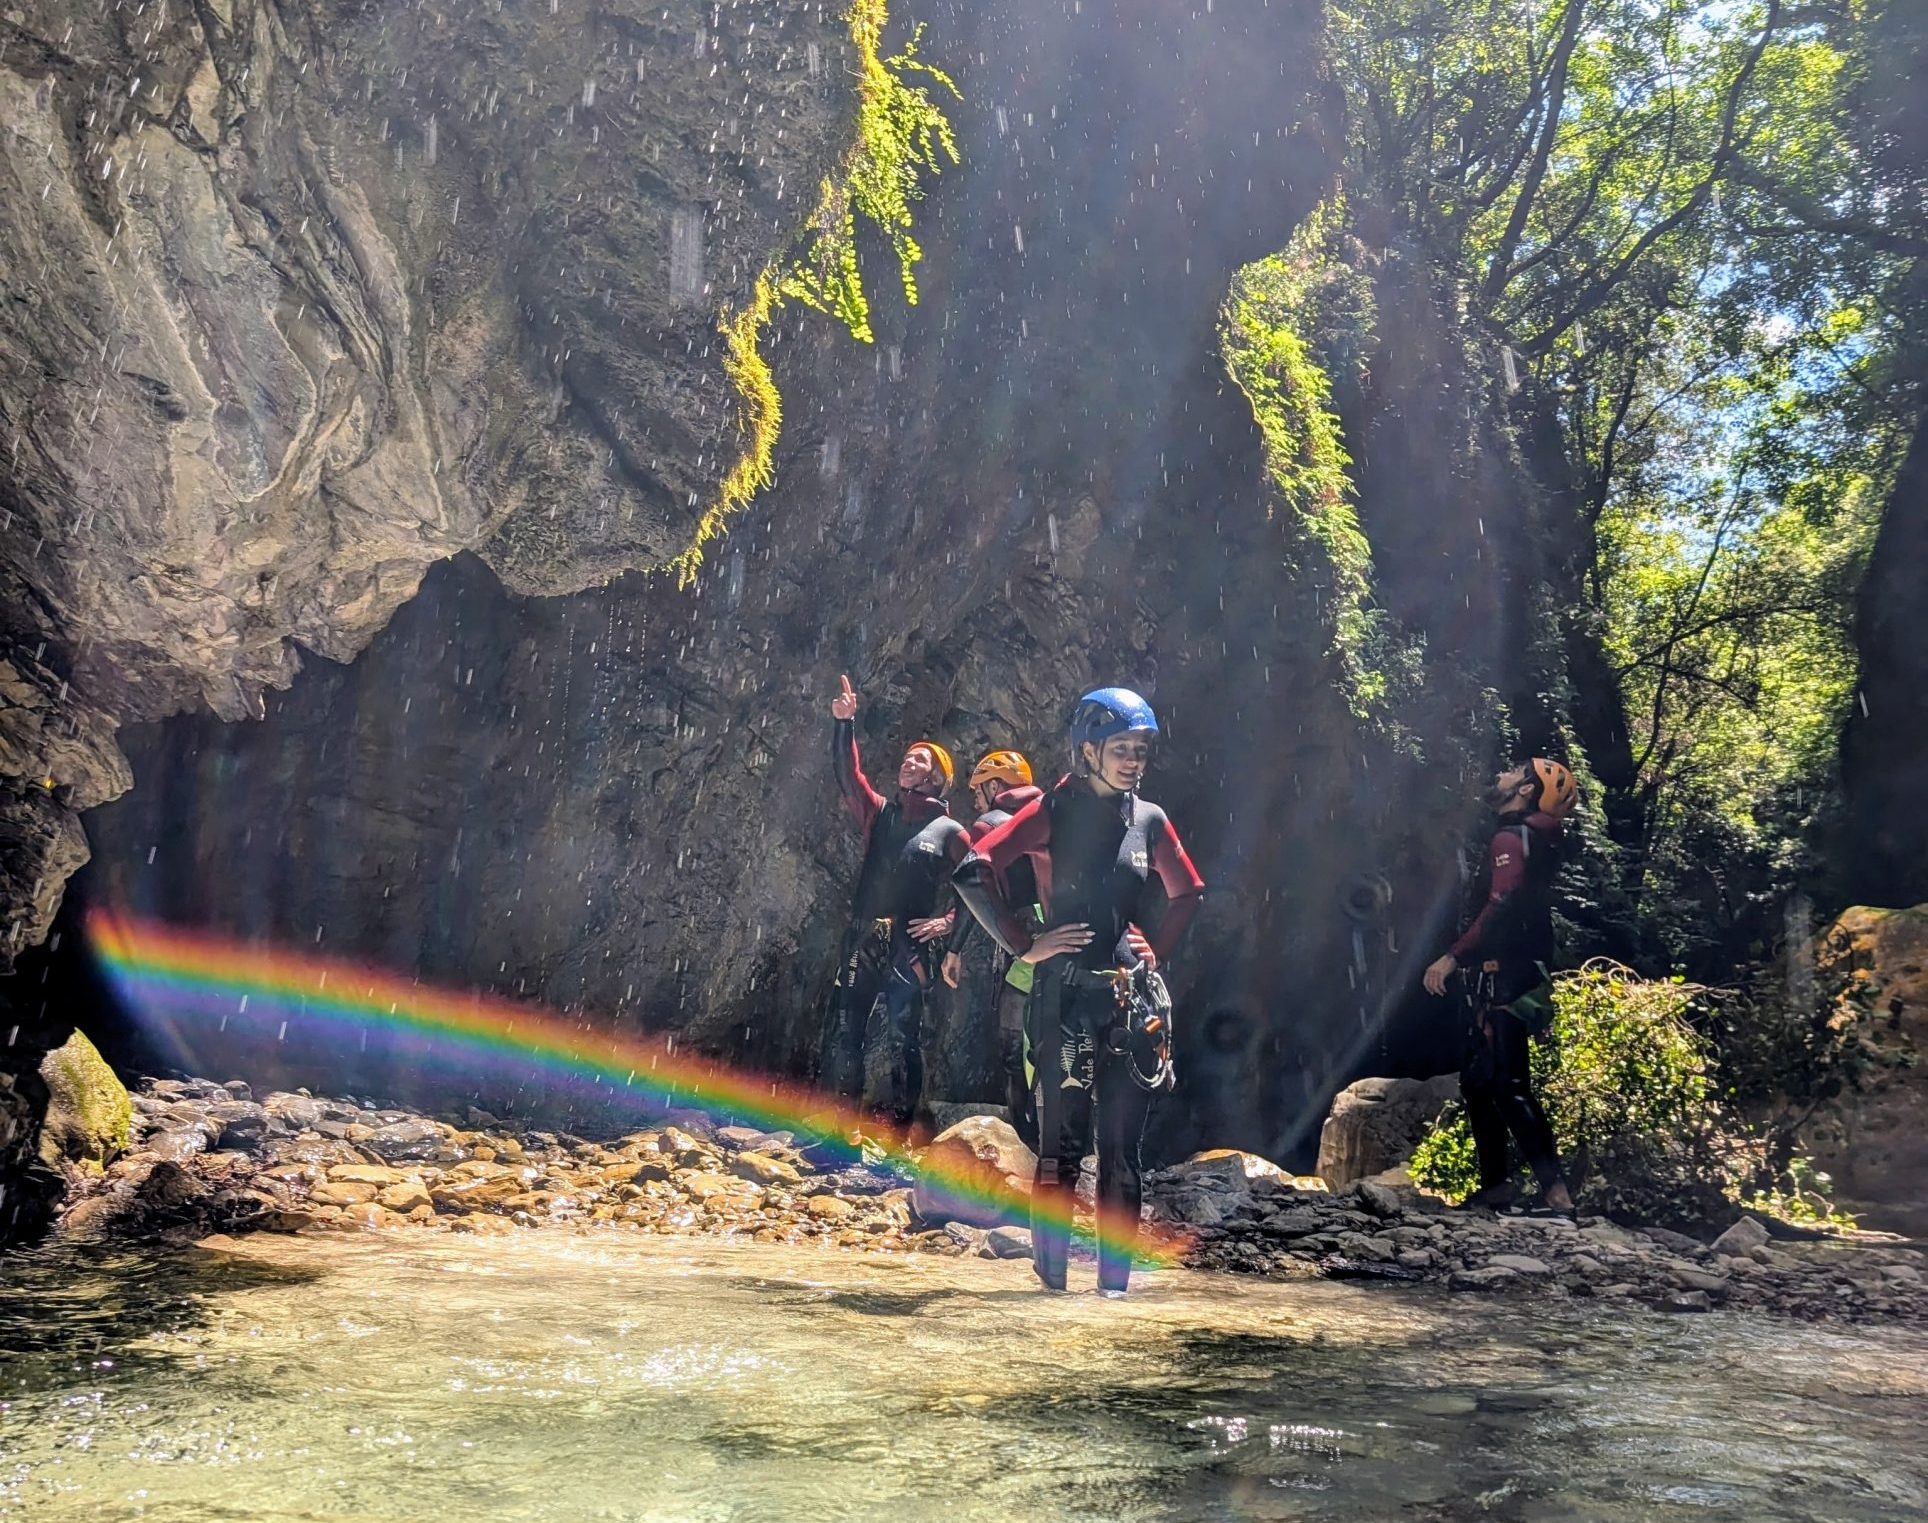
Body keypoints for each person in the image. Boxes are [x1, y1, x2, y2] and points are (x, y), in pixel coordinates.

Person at [954, 687, 1205, 1294]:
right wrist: (1022, 943)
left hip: (1126, 997)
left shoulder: (1148, 818)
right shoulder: (1052, 809)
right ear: (1087, 750)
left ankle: (1113, 1295)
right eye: (1122, 749)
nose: (1134, 761)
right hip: (1063, 997)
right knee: (1060, 1150)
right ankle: (1052, 1294)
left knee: (1122, 1152)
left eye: (1141, 750)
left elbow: (1188, 892)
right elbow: (973, 867)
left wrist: (1158, 953)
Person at [1423, 758, 1579, 1215]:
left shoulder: (1511, 837)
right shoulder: (1536, 838)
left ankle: (1556, 1193)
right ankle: (1496, 1189)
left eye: (1514, 770)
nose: (1503, 773)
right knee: (1478, 1081)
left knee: (1508, 1082)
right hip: (1515, 969)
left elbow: (1503, 902)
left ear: (1526, 790)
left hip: (1505, 972)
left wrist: (1453, 956)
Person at [821, 674, 970, 1128]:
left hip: (909, 946)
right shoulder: (882, 812)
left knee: (905, 1037)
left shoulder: (950, 832)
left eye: (920, 759)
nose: (909, 762)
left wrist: (947, 923)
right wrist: (844, 724)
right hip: (864, 934)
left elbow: (981, 887)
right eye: (907, 757)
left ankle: (900, 1132)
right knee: (846, 1028)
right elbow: (849, 778)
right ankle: (842, 1123)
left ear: (939, 777)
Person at [939, 750, 1043, 1141]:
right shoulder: (1051, 814)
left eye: (978, 790)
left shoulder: (991, 824)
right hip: (1069, 937)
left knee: (1014, 1045)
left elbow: (974, 883)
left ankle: (1026, 1140)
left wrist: (954, 948)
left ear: (996, 785)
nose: (975, 801)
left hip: (1026, 943)